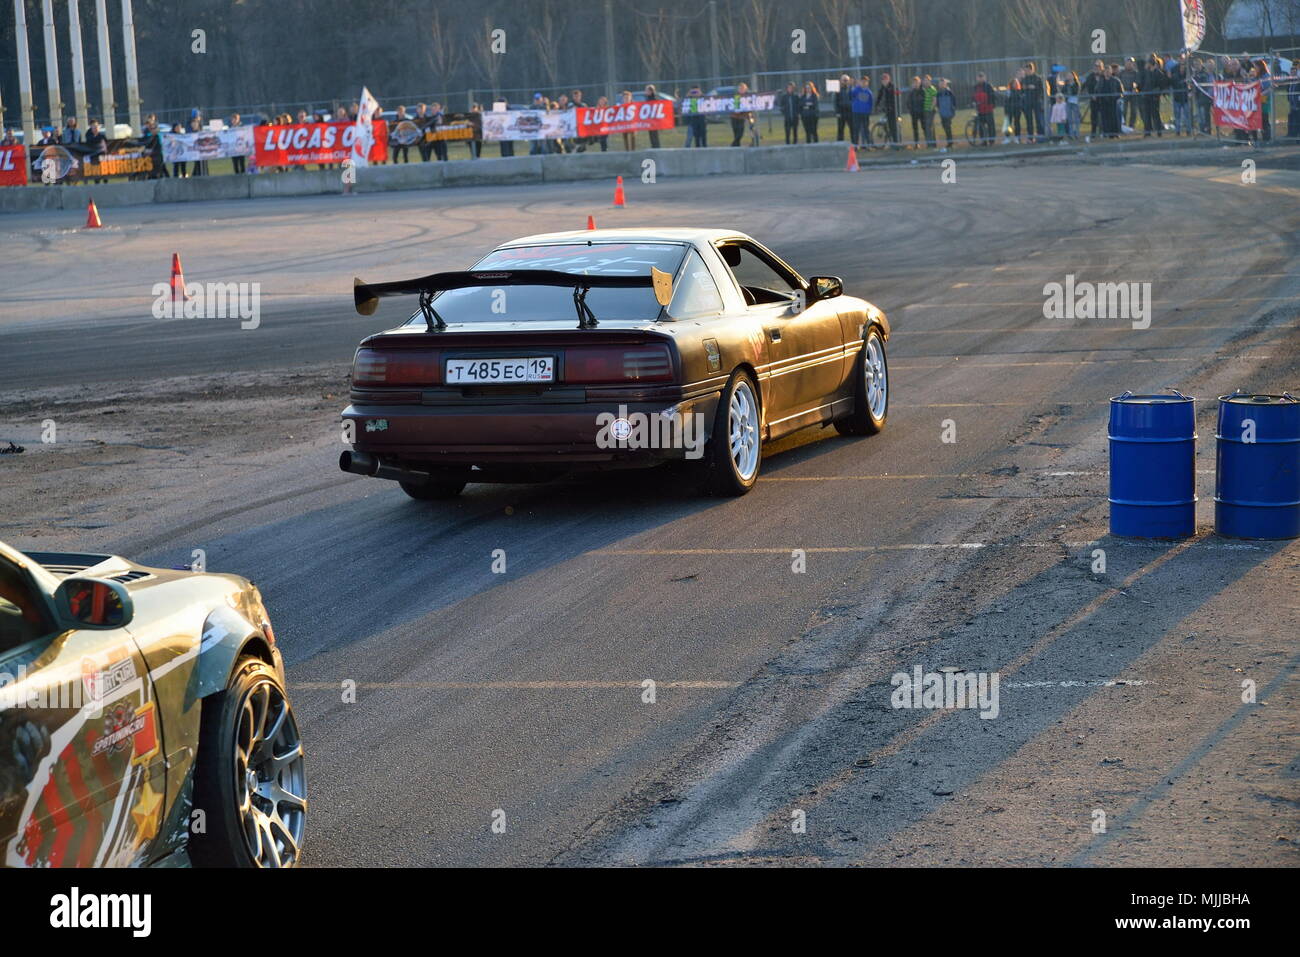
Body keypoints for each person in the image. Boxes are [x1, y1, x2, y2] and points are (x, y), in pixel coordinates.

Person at [1021, 62, 1044, 141]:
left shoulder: (1037, 78)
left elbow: (1042, 90)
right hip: (1028, 101)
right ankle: (1030, 137)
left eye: (1027, 70)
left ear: (1032, 69)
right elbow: (1022, 89)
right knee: (1029, 120)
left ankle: (1040, 136)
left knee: (1038, 119)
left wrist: (1034, 87)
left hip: (1036, 101)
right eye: (1025, 70)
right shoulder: (1024, 79)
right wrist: (1026, 87)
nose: (1026, 71)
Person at [1082, 59, 1106, 137]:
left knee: (1103, 116)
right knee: (1094, 116)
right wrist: (1091, 95)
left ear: (1102, 67)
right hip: (1093, 100)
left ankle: (1103, 132)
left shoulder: (1104, 76)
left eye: (1098, 66)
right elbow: (1086, 86)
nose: (1097, 67)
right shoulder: (1090, 76)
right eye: (1095, 66)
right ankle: (1093, 132)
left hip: (1103, 99)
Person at [972, 72, 996, 145]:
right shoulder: (975, 87)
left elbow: (993, 97)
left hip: (988, 109)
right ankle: (983, 141)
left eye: (982, 77)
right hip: (980, 110)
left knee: (990, 125)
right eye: (979, 77)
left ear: (985, 78)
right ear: (977, 78)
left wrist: (990, 104)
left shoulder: (988, 86)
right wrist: (973, 102)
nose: (980, 78)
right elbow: (973, 97)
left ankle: (991, 140)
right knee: (981, 127)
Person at [850, 74, 874, 147]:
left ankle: (868, 144)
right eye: (862, 81)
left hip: (865, 113)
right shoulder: (856, 90)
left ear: (867, 83)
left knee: (866, 129)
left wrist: (869, 110)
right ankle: (855, 145)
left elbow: (871, 102)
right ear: (860, 82)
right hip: (856, 112)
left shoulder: (869, 92)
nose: (863, 83)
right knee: (856, 129)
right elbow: (851, 95)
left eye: (865, 82)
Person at [730, 82, 755, 147]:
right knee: (736, 133)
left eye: (743, 88)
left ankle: (733, 145)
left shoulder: (747, 97)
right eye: (740, 88)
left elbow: (749, 108)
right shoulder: (736, 97)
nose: (741, 90)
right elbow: (736, 110)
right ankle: (736, 146)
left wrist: (750, 117)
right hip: (734, 117)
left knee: (740, 133)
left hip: (742, 117)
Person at [877, 72, 899, 146]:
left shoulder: (893, 87)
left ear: (889, 80)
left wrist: (893, 107)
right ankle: (891, 141)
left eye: (886, 79)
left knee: (893, 127)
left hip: (893, 111)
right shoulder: (882, 88)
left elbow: (898, 97)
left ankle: (896, 143)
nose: (884, 81)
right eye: (883, 80)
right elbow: (879, 98)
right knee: (888, 126)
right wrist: (876, 105)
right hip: (887, 110)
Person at [935, 77, 956, 150]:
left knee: (948, 127)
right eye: (940, 83)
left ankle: (950, 142)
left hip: (949, 112)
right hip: (942, 113)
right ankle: (949, 141)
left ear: (945, 84)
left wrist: (952, 111)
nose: (942, 84)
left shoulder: (949, 92)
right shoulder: (938, 93)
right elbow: (937, 103)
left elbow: (954, 102)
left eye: (943, 83)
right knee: (945, 127)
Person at [907, 76, 926, 148]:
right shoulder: (912, 92)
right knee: (915, 129)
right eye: (914, 83)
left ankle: (928, 142)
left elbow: (925, 101)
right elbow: (908, 102)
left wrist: (923, 110)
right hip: (914, 113)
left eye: (917, 82)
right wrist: (910, 110)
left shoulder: (923, 91)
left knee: (924, 127)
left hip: (922, 113)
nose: (915, 84)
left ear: (919, 82)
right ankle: (916, 143)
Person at [834, 74, 853, 141]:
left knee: (852, 129)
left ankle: (854, 144)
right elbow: (835, 102)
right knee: (840, 129)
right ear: (841, 81)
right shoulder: (837, 90)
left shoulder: (852, 89)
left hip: (850, 112)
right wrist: (837, 112)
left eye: (846, 80)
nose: (845, 81)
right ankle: (840, 144)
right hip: (841, 112)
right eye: (844, 80)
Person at [1004, 75, 1022, 143]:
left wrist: (1019, 107)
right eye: (1013, 83)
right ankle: (1007, 137)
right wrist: (1006, 110)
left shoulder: (1019, 91)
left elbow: (1020, 100)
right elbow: (1006, 101)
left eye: (1016, 83)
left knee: (1017, 123)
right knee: (1008, 124)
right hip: (1009, 109)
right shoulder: (1008, 91)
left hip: (1017, 109)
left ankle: (1017, 137)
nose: (1014, 85)